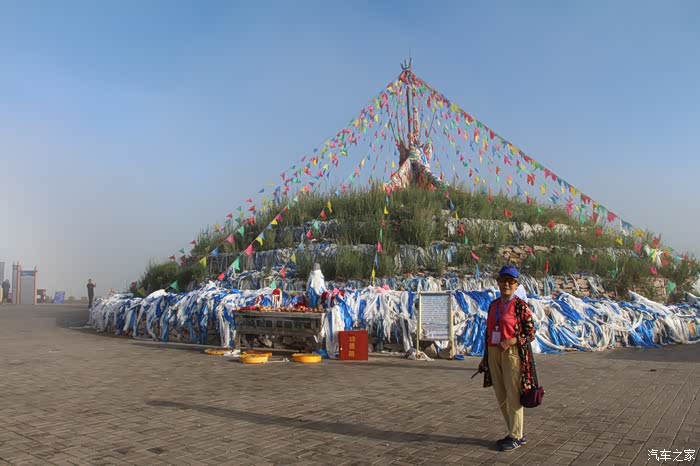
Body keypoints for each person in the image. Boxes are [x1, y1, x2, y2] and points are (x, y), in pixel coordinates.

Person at [478, 265, 536, 452]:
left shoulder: (520, 306)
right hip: (493, 351)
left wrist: (512, 340)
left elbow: (530, 333)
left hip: (512, 354)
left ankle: (516, 435)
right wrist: (485, 358)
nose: (506, 285)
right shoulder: (493, 305)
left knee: (513, 394)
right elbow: (488, 333)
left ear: (516, 284)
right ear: (498, 283)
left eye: (511, 282)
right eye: (503, 281)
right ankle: (514, 430)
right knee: (501, 395)